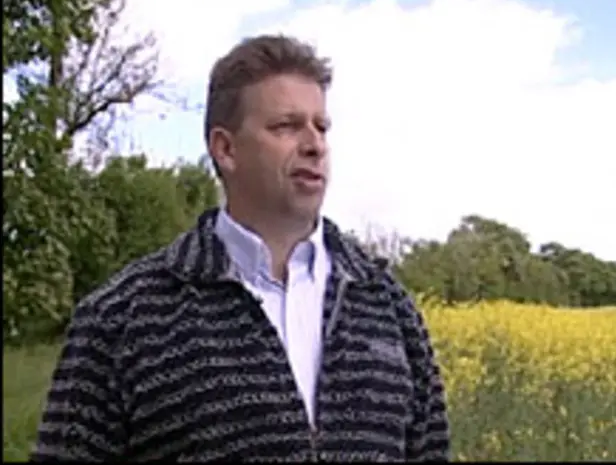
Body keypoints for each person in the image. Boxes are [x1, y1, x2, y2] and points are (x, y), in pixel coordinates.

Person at [31, 34, 451, 462]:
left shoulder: (388, 308)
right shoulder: (123, 317)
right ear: (226, 149)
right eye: (286, 126)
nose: (315, 145)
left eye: (321, 126)